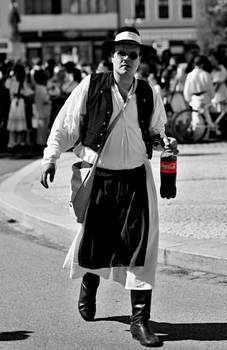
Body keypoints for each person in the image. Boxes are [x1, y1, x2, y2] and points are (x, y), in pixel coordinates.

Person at [40, 27, 176, 347]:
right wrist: (50, 158)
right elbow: (65, 124)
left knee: (142, 246)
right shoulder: (92, 86)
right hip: (99, 176)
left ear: (140, 59)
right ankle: (90, 281)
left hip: (136, 179)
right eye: (121, 53)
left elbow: (157, 130)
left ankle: (140, 321)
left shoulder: (148, 92)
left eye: (132, 53)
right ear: (111, 57)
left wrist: (164, 140)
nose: (126, 58)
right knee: (97, 242)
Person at [183, 54, 215, 135]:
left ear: (194, 64)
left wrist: (188, 99)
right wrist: (212, 97)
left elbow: (187, 90)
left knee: (196, 116)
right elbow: (211, 88)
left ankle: (197, 134)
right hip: (205, 97)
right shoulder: (206, 74)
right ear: (202, 64)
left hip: (195, 98)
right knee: (206, 115)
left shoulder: (190, 75)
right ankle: (207, 133)